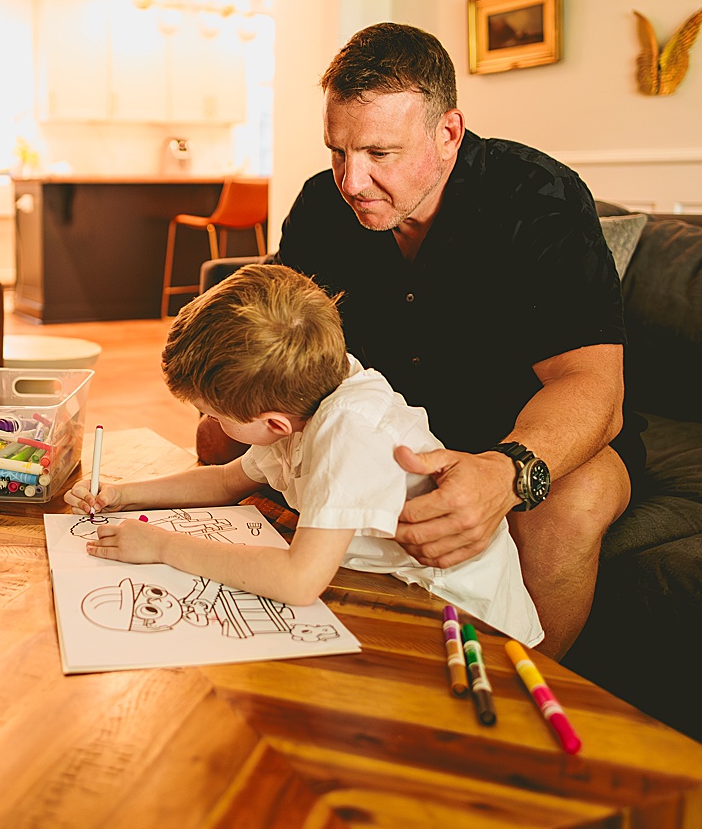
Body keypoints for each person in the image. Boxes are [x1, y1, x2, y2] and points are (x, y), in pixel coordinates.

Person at [249, 21, 643, 659]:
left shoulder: (538, 199)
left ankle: (526, 691)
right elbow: (278, 334)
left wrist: (506, 473)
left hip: (519, 432)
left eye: (380, 154)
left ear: (448, 132)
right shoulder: (323, 205)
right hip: (386, 426)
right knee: (220, 433)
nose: (351, 181)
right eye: (337, 151)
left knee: (569, 505)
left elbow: (591, 386)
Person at [66, 262, 544, 648]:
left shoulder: (348, 433)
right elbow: (225, 480)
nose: (209, 424)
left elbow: (298, 581)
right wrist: (122, 495)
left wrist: (162, 546)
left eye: (211, 414)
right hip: (385, 586)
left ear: (272, 423)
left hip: (460, 621)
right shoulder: (305, 395)